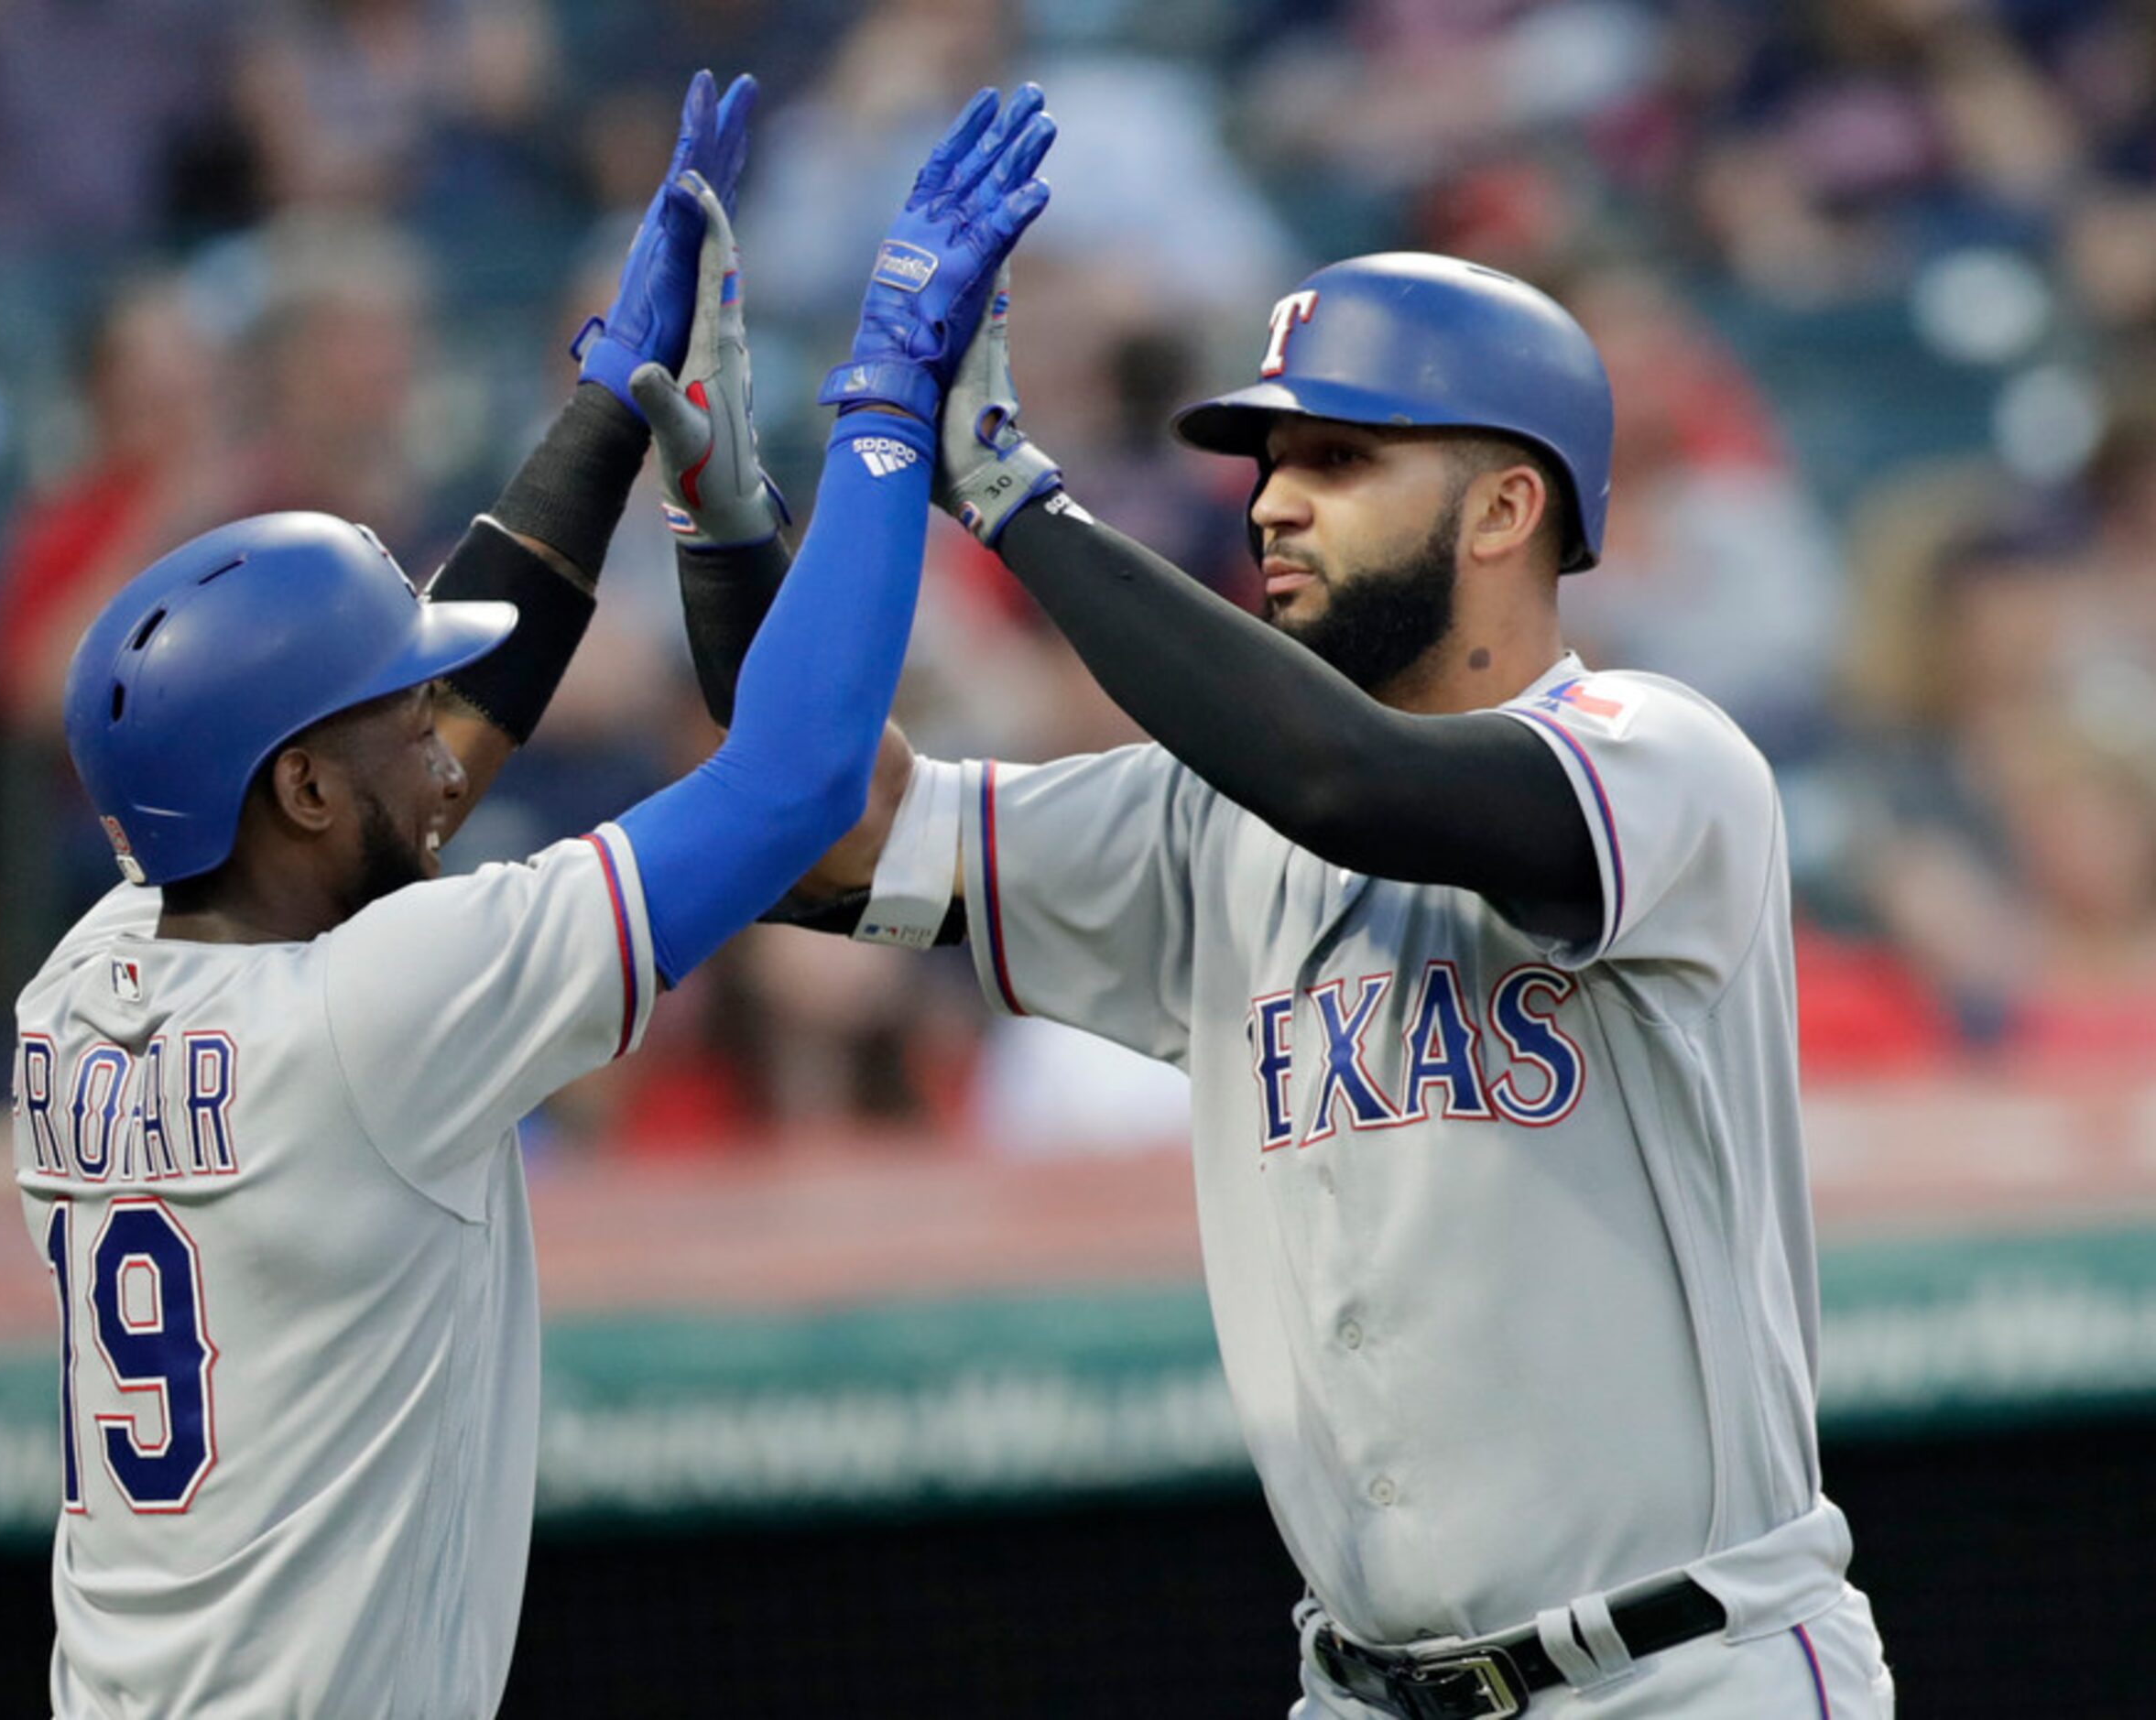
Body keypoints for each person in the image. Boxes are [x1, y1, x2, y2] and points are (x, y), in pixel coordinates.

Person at [670, 252, 1895, 1715]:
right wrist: (724, 519)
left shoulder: (1663, 757)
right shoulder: (1203, 823)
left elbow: (1348, 778)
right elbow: (818, 825)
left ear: (1506, 507)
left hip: (1681, 1672)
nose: (1268, 500)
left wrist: (1015, 500)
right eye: (1267, 460)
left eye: (1337, 457)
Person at [12, 72, 1051, 1716]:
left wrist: (608, 409)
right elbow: (794, 785)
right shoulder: (382, 1005)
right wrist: (881, 411)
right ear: (292, 789)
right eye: (392, 722)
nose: (446, 749)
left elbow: (427, 742)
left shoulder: (86, 970)